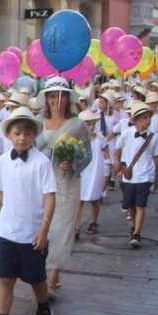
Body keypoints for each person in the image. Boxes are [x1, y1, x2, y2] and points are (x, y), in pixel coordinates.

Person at [0, 106, 56, 315]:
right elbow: (0, 192)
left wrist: (44, 228)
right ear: (9, 135)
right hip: (8, 229)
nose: (22, 137)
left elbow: (49, 197)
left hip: (32, 230)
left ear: (33, 135)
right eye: (17, 133)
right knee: (5, 279)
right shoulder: (2, 161)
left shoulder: (41, 162)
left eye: (27, 132)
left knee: (36, 279)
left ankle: (43, 308)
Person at [37, 77, 91, 299]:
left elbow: (87, 153)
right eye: (52, 96)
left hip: (65, 182)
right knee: (42, 227)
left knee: (62, 227)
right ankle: (41, 270)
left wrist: (73, 162)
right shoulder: (37, 121)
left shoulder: (78, 124)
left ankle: (53, 274)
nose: (56, 101)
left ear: (68, 99)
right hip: (41, 182)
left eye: (61, 97)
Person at [113, 102, 158, 250]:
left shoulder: (154, 137)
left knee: (141, 204)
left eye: (149, 118)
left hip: (145, 175)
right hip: (130, 175)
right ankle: (134, 226)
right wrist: (120, 165)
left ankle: (137, 233)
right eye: (145, 118)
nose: (148, 121)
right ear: (137, 120)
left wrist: (156, 177)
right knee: (131, 205)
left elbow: (156, 157)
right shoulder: (127, 133)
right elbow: (118, 148)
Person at [75, 110, 108, 239]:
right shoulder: (78, 140)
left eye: (93, 124)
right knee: (79, 200)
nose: (92, 127)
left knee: (94, 199)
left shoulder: (100, 139)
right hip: (83, 171)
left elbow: (106, 155)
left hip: (95, 171)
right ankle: (76, 226)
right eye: (88, 125)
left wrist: (107, 171)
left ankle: (93, 222)